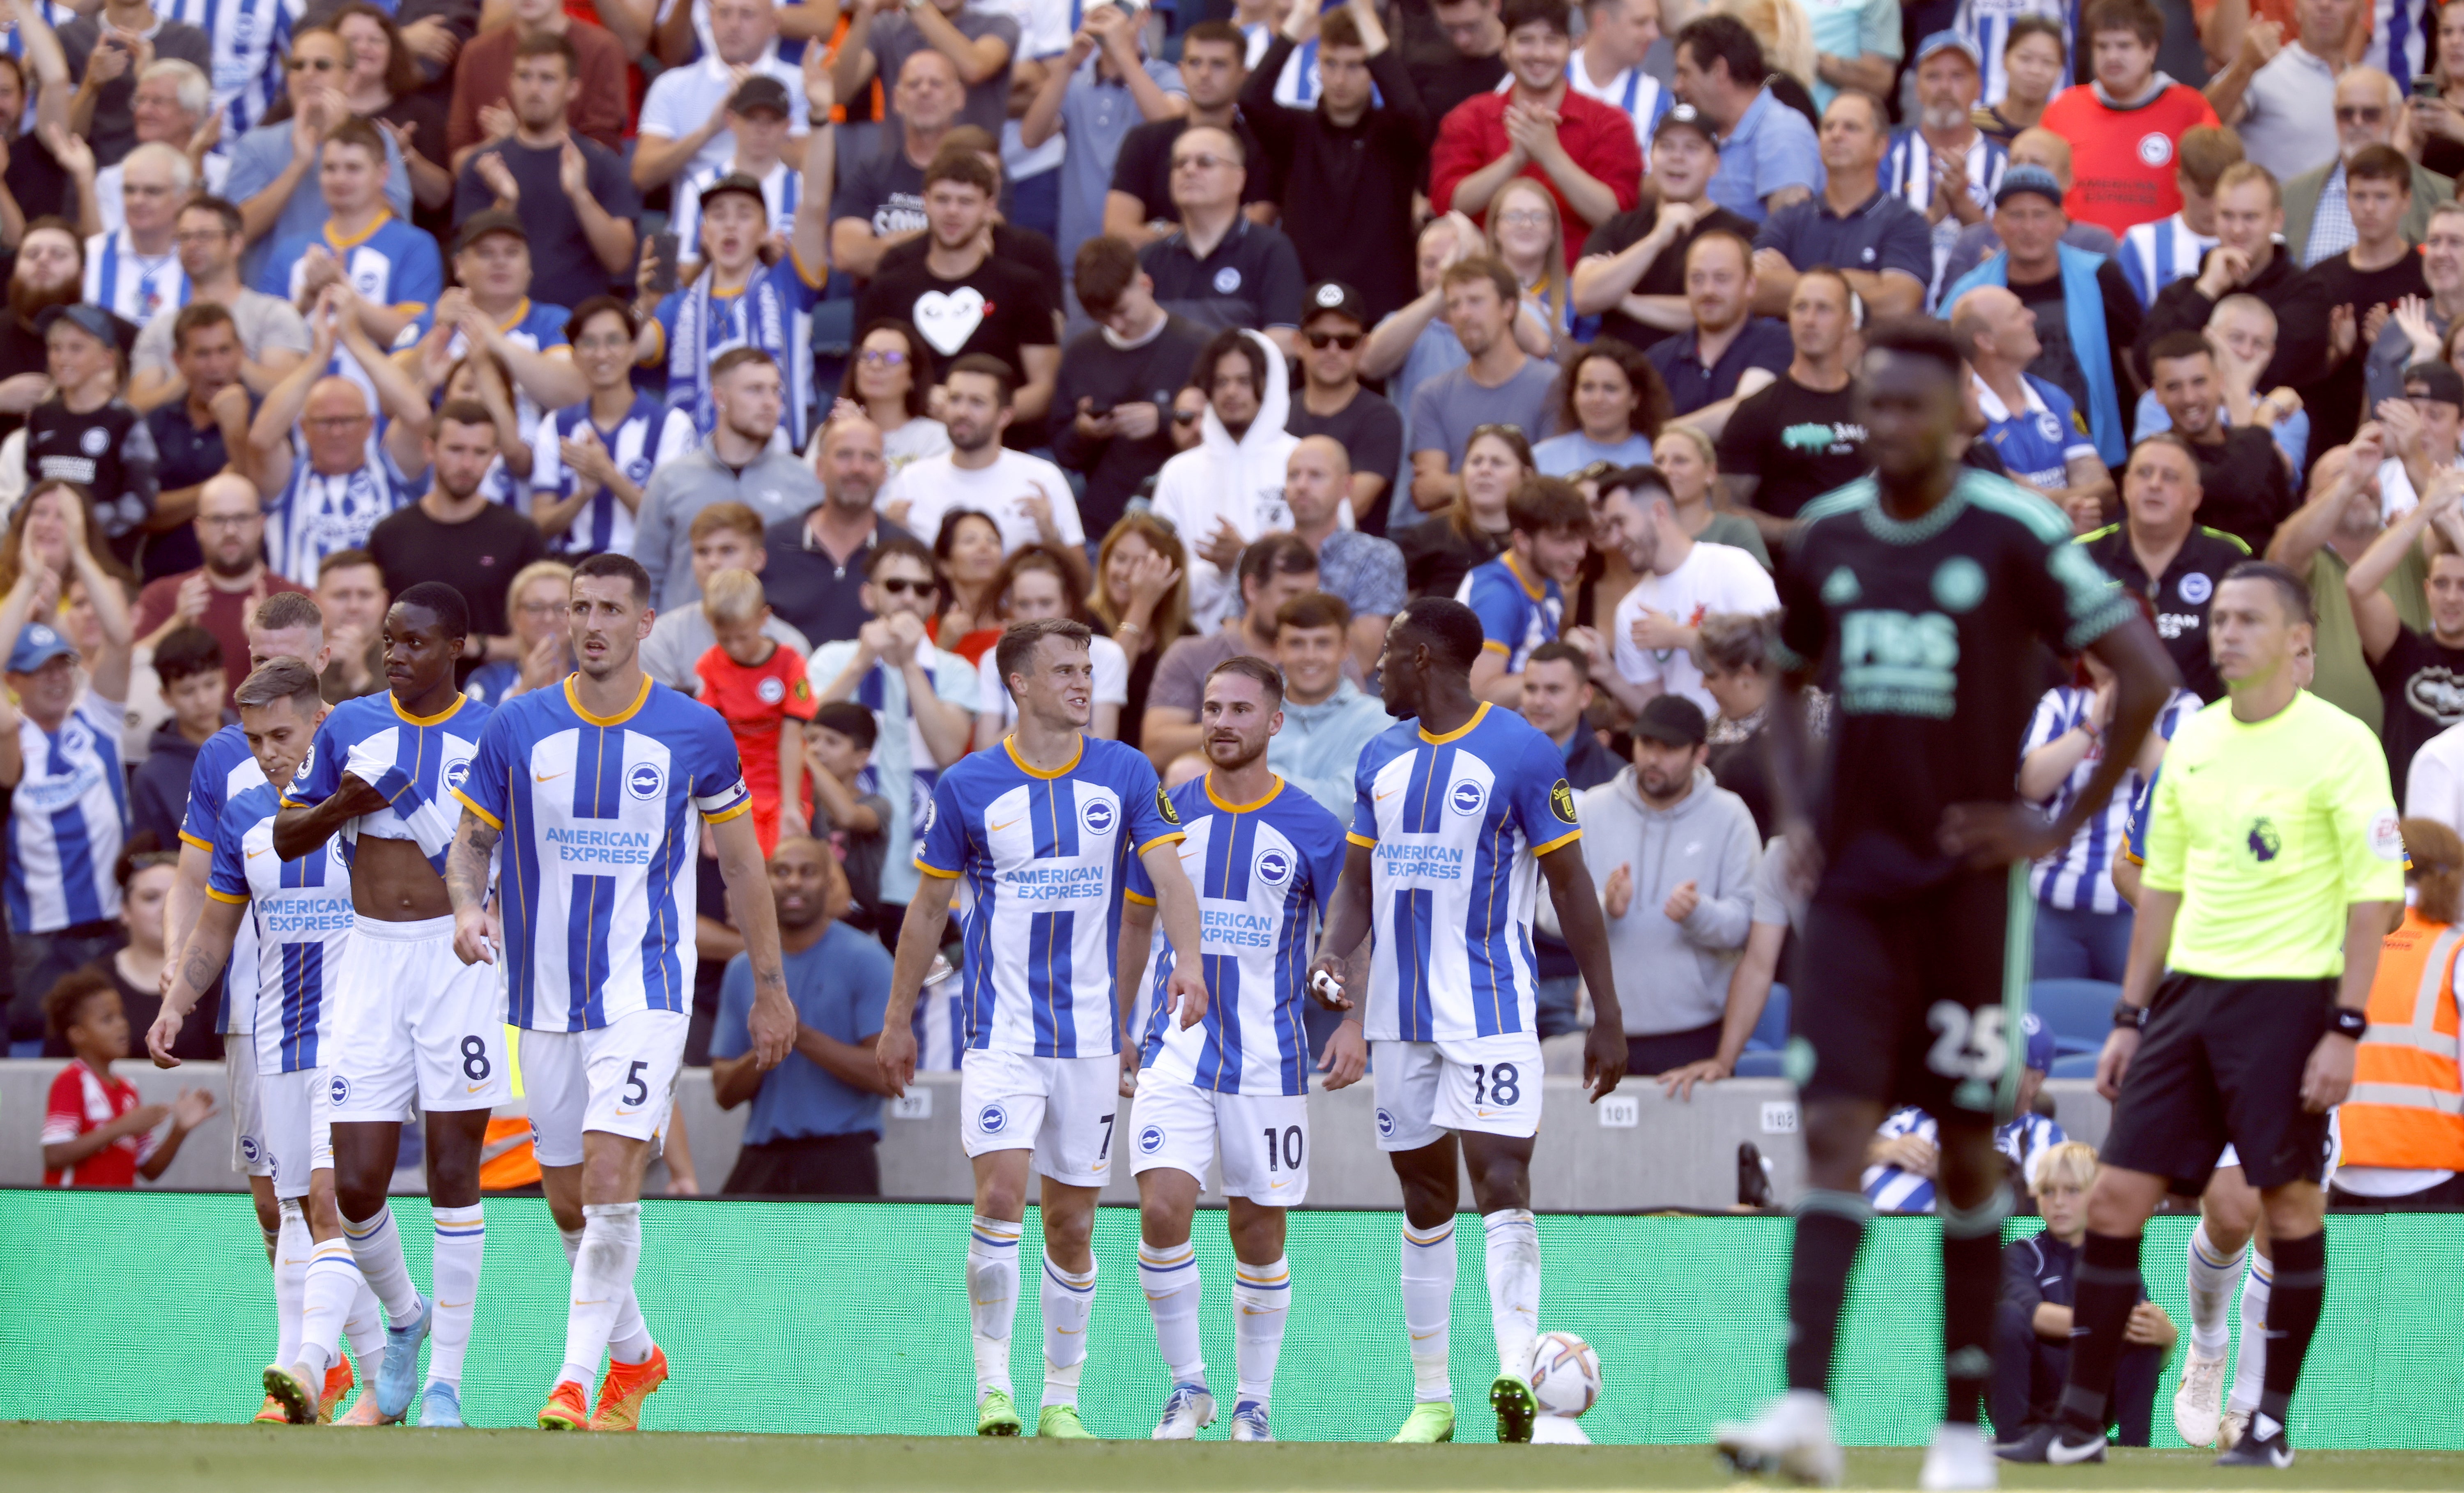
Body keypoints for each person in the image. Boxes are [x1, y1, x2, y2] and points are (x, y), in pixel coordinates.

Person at [1712, 318, 2173, 1488]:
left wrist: (2059, 824)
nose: (1891, 426)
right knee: (1829, 1129)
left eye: (1914, 406)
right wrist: (1804, 808)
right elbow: (1785, 673)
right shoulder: (1826, 537)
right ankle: (1807, 1404)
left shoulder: (2014, 531)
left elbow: (2150, 674)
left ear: (1964, 417)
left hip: (1970, 895)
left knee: (1970, 1148)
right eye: (1876, 406)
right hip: (1859, 892)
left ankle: (1963, 1427)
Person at [2000, 562, 2400, 1470]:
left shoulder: (2344, 745)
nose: (2227, 634)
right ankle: (2079, 1425)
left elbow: (2373, 899)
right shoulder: (2194, 740)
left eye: (2249, 619)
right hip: (2186, 999)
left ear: (2300, 639)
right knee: (2114, 1198)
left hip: (2291, 999)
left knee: (2288, 1210)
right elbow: (2160, 888)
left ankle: (2267, 1421)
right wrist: (2129, 1015)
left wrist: (2345, 1027)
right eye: (2219, 619)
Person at [441, 551, 792, 1432]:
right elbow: (472, 840)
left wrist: (770, 988)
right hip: (541, 997)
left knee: (608, 1172)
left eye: (608, 609)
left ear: (645, 624)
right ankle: (636, 1356)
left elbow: (744, 862)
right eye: (577, 607)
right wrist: (464, 906)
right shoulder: (515, 726)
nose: (589, 623)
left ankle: (572, 1378)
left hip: (648, 986)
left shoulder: (695, 730)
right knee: (568, 1195)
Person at [1304, 595, 1627, 1443]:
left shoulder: (1521, 751)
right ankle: (1432, 1398)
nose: (1372, 666)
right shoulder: (1380, 756)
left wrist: (1607, 1014)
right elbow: (1356, 882)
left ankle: (1515, 1372)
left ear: (1423, 659)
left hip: (1489, 1009)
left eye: (1385, 652)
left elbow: (1572, 883)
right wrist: (1335, 956)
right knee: (1423, 1196)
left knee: (1503, 1182)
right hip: (1399, 1016)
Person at [872, 614, 1204, 1438]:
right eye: (1064, 670)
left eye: (1086, 668)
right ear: (1018, 685)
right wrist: (898, 1017)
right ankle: (995, 1388)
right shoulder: (969, 785)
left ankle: (1061, 1396)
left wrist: (1189, 961)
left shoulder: (1126, 771)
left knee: (1074, 1221)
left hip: (1091, 1039)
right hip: (1002, 1032)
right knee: (999, 1194)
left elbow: (1169, 874)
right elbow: (926, 908)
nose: (1083, 683)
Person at [262, 582, 497, 1430]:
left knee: (451, 1171)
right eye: (391, 641)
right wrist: (340, 806)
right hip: (367, 960)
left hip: (457, 963)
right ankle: (405, 1315)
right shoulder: (354, 726)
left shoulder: (491, 731)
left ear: (458, 645)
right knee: (356, 1186)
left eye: (416, 642)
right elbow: (285, 837)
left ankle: (447, 1384)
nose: (398, 655)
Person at [1115, 654, 1349, 1442]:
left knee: (1258, 1230)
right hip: (1175, 1048)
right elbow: (1136, 924)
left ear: (1275, 723)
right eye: (1213, 709)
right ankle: (1188, 1389)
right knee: (1161, 1209)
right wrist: (1123, 1023)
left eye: (1241, 711)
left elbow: (1353, 935)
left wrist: (1351, 1020)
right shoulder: (1167, 811)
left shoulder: (1316, 828)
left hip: (1270, 1059)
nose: (1222, 723)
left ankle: (1255, 1402)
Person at [144, 655, 376, 1416]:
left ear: (320, 720)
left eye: (282, 734)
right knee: (289, 1208)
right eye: (253, 740)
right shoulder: (245, 817)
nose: (269, 753)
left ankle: (298, 1367)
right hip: (277, 1033)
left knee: (323, 1194)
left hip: (356, 1037)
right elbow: (216, 926)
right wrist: (177, 1003)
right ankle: (373, 1371)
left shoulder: (365, 803)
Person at [637, 64, 837, 458]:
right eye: (719, 216)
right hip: (700, 455)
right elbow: (634, 350)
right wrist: (644, 306)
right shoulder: (683, 301)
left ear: (765, 229)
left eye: (744, 215)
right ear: (702, 232)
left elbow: (815, 204)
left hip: (778, 451)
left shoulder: (788, 283)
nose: (730, 226)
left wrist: (820, 118)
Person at [0, 490, 136, 1048]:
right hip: (35, 937)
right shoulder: (10, 735)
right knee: (38, 1057)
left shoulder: (96, 721)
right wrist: (30, 579)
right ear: (15, 680)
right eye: (38, 670)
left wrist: (80, 553)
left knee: (113, 1055)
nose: (55, 678)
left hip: (107, 927)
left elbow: (123, 638)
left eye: (63, 665)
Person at [807, 536, 981, 936]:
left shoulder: (954, 670)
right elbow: (804, 730)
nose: (908, 598)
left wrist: (909, 664)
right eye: (895, 585)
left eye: (921, 589)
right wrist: (863, 661)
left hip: (921, 864)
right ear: (869, 595)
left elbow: (948, 748)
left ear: (933, 601)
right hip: (843, 859)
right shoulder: (832, 658)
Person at [1580, 690, 1761, 1074]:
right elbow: (1548, 906)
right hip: (1606, 1026)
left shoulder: (1730, 816)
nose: (1653, 759)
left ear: (1700, 755)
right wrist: (1602, 905)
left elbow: (1748, 925)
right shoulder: (1592, 809)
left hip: (1696, 1031)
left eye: (1670, 748)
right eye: (1646, 744)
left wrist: (1700, 913)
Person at [710, 834, 894, 1195]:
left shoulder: (868, 960)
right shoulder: (741, 969)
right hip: (763, 1155)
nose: (794, 881)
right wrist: (769, 1046)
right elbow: (723, 1091)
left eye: (807, 872)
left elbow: (887, 1078)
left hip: (844, 1157)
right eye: (782, 871)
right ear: (765, 881)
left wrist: (799, 1034)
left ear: (829, 882)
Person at [2020, 619, 2201, 981]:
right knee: (2053, 1023)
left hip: (2138, 905)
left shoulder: (2184, 708)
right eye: (2097, 645)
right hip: (2054, 905)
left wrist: (2132, 720)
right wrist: (2093, 724)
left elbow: (2183, 786)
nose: (2109, 655)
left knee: (2136, 1028)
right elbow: (2031, 783)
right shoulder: (2062, 704)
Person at [1941, 164, 2140, 472]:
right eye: (2017, 216)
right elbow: (1943, 366)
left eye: (2040, 215)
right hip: (2004, 461)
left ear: (2062, 221)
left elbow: (2135, 363)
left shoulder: (2101, 276)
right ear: (1996, 223)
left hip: (2101, 453)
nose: (2029, 228)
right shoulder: (1972, 293)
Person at [1242, 0, 1428, 328]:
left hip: (1382, 306)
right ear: (1317, 61)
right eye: (1330, 63)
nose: (1340, 79)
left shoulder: (1396, 134)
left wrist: (1362, 13)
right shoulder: (1294, 131)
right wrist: (1300, 16)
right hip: (1305, 301)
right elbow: (1251, 98)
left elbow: (1411, 110)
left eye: (1355, 66)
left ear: (1374, 67)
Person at [854, 150, 1059, 440]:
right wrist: (921, 401)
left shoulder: (1023, 287)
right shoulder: (890, 286)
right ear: (925, 202)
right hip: (907, 444)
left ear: (989, 208)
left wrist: (971, 412)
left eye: (966, 202)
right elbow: (863, 374)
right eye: (942, 200)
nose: (952, 212)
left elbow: (1044, 390)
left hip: (999, 446)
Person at [1429, 0, 1641, 265]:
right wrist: (1513, 160)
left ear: (1573, 46)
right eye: (1526, 41)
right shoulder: (1468, 118)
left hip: (1580, 289)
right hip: (1489, 285)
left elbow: (1618, 217)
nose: (1539, 54)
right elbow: (1447, 205)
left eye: (1552, 41)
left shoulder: (1609, 123)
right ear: (1505, 48)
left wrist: (1550, 155)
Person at [1992, 1141, 2178, 1443]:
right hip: (2031, 1398)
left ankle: (2134, 1448)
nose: (2059, 1202)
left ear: (2096, 1194)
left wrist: (2168, 1339)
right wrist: (2109, 1324)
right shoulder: (2022, 1253)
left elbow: (2138, 1327)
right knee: (2007, 1316)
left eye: (2073, 1190)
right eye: (2048, 1191)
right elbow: (2032, 1313)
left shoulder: (2116, 1259)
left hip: (2095, 1404)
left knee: (2145, 1328)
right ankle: (2011, 1438)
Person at [451, 32, 641, 315]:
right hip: (499, 324)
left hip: (578, 326)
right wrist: (506, 203)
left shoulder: (601, 163)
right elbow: (465, 264)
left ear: (573, 89)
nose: (534, 89)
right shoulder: (484, 165)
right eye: (524, 77)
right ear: (511, 83)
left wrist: (580, 196)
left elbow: (620, 261)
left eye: (548, 78)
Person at [2330, 814, 2464, 1209]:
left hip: (2343, 1162)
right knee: (2431, 1275)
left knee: (2351, 1275)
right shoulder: (2454, 950)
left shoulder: (2338, 942)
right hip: (2433, 1168)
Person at [365, 400, 551, 680]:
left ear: (494, 457)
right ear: (430, 449)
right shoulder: (390, 535)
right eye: (456, 449)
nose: (467, 464)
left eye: (479, 452)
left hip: (497, 694)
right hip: (406, 693)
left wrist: (479, 646)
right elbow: (372, 629)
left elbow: (547, 636)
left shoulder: (520, 535)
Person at [631, 350, 826, 612]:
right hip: (688, 645)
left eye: (775, 391)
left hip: (773, 642)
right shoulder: (671, 480)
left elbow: (816, 576)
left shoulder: (806, 481)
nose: (770, 403)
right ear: (720, 398)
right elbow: (646, 577)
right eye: (755, 390)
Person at [1593, 462, 1779, 721]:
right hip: (1691, 751)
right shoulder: (1631, 610)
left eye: (1620, 523)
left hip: (1759, 734)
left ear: (1658, 512)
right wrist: (1608, 674)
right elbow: (1656, 710)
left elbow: (1770, 651)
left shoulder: (1733, 565)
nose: (1614, 540)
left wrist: (1679, 637)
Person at [1570, 103, 1761, 354]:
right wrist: (1656, 240)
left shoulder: (1740, 234)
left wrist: (1626, 300)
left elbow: (1724, 311)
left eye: (1691, 148)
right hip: (1619, 378)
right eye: (1666, 146)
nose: (1677, 157)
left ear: (1715, 164)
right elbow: (1585, 296)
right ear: (1652, 158)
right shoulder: (1618, 227)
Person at [2081, 434, 2254, 703]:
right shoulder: (2083, 556)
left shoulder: (2230, 559)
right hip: (2103, 730)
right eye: (2144, 473)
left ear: (2195, 497)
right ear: (2126, 487)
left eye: (2170, 477)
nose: (2154, 485)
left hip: (2203, 732)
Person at [2141, 161, 2336, 400]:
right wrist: (2206, 292)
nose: (2237, 229)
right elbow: (2148, 364)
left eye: (2250, 217)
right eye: (2227, 215)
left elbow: (2278, 369)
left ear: (2277, 220)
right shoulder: (2186, 292)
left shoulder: (2308, 292)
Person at [1012, 0, 1183, 266]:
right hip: (1079, 254)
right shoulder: (1076, 82)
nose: (1112, 23)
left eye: (1122, 12)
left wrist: (1124, 55)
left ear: (1144, 17)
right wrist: (1068, 64)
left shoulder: (1165, 75)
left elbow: (1172, 131)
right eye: (1101, 14)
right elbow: (1031, 137)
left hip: (1145, 256)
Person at [1150, 329, 1299, 629]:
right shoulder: (1179, 471)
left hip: (1286, 639)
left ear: (1268, 386)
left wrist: (1244, 558)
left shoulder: (1301, 460)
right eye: (1221, 382)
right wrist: (1215, 573)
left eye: (1244, 381)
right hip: (1193, 638)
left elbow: (1328, 567)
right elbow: (1159, 570)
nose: (1231, 392)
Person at [528, 299, 696, 561]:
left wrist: (607, 473)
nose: (602, 354)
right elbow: (538, 528)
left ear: (633, 349)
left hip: (645, 570)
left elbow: (671, 523)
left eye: (614, 341)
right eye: (589, 343)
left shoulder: (672, 424)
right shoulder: (556, 425)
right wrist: (583, 495)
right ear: (574, 356)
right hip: (572, 571)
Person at [254, 118, 439, 354]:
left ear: (383, 174)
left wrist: (341, 291)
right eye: (330, 168)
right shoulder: (289, 250)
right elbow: (262, 340)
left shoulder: (415, 246)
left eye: (353, 168)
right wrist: (305, 305)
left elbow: (413, 335)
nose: (340, 180)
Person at [2035, 0, 2220, 236]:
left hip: (2162, 261)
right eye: (2102, 46)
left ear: (2151, 50)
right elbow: (2038, 188)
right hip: (2077, 260)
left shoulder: (2191, 109)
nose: (2112, 57)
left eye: (2124, 46)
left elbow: (2215, 188)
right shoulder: (2063, 108)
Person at [2299, 143, 2432, 464]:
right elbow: (2301, 372)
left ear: (2406, 200)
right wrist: (2337, 353)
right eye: (2360, 196)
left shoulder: (2423, 278)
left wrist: (2389, 346)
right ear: (2346, 199)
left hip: (2402, 442)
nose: (2370, 208)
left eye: (2382, 197)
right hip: (2328, 438)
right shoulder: (2321, 278)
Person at [1142, 534, 1324, 766]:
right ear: (1252, 589)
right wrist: (1242, 725)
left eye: (1312, 596)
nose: (1305, 608)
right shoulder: (1192, 655)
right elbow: (1156, 749)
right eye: (1291, 593)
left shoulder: (1328, 661)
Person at [1716, 266, 1866, 544]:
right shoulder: (1757, 411)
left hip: (1866, 572)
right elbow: (1727, 510)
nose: (1809, 320)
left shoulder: (1875, 407)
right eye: (1800, 308)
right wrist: (1801, 534)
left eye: (1824, 309)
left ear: (1849, 322)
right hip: (1789, 576)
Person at [878, 356, 1083, 558]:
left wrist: (1052, 538)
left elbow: (1082, 582)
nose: (962, 412)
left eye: (977, 402)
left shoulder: (1043, 478)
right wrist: (893, 535)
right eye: (955, 399)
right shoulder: (912, 480)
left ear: (1005, 416)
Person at [131, 474, 313, 702]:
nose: (230, 531)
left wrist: (264, 640)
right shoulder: (163, 596)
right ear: (199, 528)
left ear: (260, 525)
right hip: (182, 737)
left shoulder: (297, 601)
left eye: (242, 518)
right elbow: (123, 671)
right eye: (218, 520)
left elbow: (317, 679)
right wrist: (176, 624)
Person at [126, 199, 313, 421]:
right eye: (184, 237)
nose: (193, 245)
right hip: (180, 448)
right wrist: (190, 373)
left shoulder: (273, 314)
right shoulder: (159, 328)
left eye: (205, 236)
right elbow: (136, 407)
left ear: (235, 243)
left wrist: (230, 362)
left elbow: (290, 394)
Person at [1751, 91, 1930, 320]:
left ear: (1881, 146)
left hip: (1867, 353)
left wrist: (1794, 279)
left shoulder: (1905, 222)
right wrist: (1864, 284)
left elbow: (1897, 303)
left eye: (1851, 128)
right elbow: (1754, 290)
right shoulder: (1788, 219)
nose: (1836, 135)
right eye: (1828, 127)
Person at [1952, 284, 2114, 528]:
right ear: (1986, 341)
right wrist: (2066, 507)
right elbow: (2001, 505)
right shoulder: (1965, 413)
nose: (2032, 316)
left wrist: (2045, 500)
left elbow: (2107, 492)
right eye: (2017, 314)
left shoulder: (2054, 398)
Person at [1409, 258, 1561, 513]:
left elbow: (1550, 488)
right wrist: (1513, 484)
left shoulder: (1553, 386)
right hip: (1455, 543)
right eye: (1454, 305)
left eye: (1476, 301)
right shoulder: (1432, 394)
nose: (1463, 314)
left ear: (1509, 309)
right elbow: (1427, 494)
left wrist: (1451, 485)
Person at [1105, 21, 1272, 249]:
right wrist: (1205, 232)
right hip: (1154, 280)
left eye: (1219, 65)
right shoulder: (1144, 141)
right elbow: (1118, 234)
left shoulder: (1262, 146)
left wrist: (1160, 230)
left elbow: (1253, 237)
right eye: (1195, 63)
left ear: (1243, 76)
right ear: (1181, 72)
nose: (1204, 74)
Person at [1137, 124, 1306, 349]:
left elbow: (1285, 338)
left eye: (1205, 162)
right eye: (1180, 163)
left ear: (1239, 179)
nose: (1189, 171)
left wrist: (1212, 376)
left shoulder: (1271, 250)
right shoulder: (1150, 258)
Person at [40, 969, 213, 1186]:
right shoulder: (71, 1080)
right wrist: (124, 1127)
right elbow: (55, 1156)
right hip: (73, 1215)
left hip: (117, 1217)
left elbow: (150, 1170)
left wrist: (179, 1130)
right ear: (78, 1035)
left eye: (121, 1015)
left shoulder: (128, 1089)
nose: (121, 1024)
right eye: (107, 1019)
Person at [2349, 473, 2464, 795]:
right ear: (2427, 590)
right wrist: (2424, 511)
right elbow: (2358, 584)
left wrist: (2455, 526)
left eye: (2463, 585)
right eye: (2442, 584)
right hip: (2406, 829)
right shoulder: (2405, 652)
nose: (2452, 597)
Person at [2141, 333, 2299, 556]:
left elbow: (2289, 522)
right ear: (2157, 393)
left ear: (2220, 381)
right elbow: (2235, 485)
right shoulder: (2155, 458)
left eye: (2199, 382)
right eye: (2174, 387)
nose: (2190, 398)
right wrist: (2265, 414)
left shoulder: (2256, 448)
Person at [635, 0, 815, 193]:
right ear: (711, 19)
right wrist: (709, 130)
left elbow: (812, 170)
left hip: (776, 218)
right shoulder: (672, 85)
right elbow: (642, 177)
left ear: (773, 24)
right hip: (697, 217)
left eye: (747, 14)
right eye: (724, 13)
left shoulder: (799, 84)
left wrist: (755, 105)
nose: (734, 25)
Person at [2285, 69, 2455, 269]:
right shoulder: (2291, 196)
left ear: (2396, 117)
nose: (2357, 122)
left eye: (2370, 114)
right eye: (2346, 114)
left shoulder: (2442, 195)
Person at [1882, 32, 2007, 304]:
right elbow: (1869, 244)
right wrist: (1933, 215)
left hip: (1978, 318)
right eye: (1933, 77)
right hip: (1901, 321)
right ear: (1918, 89)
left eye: (1958, 76)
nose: (1945, 87)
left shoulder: (2004, 163)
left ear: (1979, 87)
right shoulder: (1888, 156)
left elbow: (2013, 251)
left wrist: (1964, 206)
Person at [26, 303, 159, 555]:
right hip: (47, 555)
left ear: (106, 359)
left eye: (76, 349)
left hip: (106, 557)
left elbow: (143, 501)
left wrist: (82, 522)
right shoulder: (42, 416)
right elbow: (34, 483)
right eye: (56, 348)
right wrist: (24, 516)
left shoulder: (125, 420)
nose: (62, 359)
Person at [642, 502, 816, 694]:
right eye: (703, 552)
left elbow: (799, 719)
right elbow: (658, 717)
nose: (713, 562)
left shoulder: (790, 645)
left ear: (758, 560)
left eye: (727, 551)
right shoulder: (663, 637)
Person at [828, 51, 970, 281]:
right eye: (914, 84)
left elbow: (984, 246)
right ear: (896, 100)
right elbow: (847, 255)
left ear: (959, 98)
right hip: (883, 313)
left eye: (936, 84)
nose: (925, 91)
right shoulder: (869, 172)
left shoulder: (979, 173)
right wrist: (946, 237)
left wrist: (890, 243)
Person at [967, 545, 1129, 745]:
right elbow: (985, 751)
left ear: (1067, 604)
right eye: (1024, 604)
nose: (1035, 616)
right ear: (1011, 609)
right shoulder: (993, 660)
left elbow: (1103, 747)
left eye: (1046, 603)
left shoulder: (1107, 655)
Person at [1671, 13, 1821, 226]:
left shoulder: (1782, 132)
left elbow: (1789, 239)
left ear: (1719, 70)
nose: (1677, 86)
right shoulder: (1707, 131)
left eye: (1685, 73)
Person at [1643, 230, 1792, 434]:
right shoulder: (1658, 359)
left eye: (1722, 278)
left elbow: (1745, 413)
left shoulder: (1778, 342)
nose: (1708, 291)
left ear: (1750, 285)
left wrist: (1660, 433)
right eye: (1697, 279)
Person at [1280, 435, 1406, 674]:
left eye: (1316, 475)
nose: (1302, 485)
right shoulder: (1262, 556)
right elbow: (1238, 645)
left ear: (1346, 487)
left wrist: (1298, 591)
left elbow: (1362, 660)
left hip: (1349, 704)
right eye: (1294, 475)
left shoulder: (1377, 556)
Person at [444, 0, 629, 162]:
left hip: (573, 196)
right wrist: (498, 145)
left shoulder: (602, 49)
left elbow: (605, 158)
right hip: (491, 196)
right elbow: (459, 160)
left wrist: (518, 142)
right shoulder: (477, 54)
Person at [1285, 281, 1405, 529]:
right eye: (1319, 339)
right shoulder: (1278, 413)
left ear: (1363, 346)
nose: (1332, 350)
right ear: (1299, 344)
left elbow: (1354, 505)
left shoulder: (1381, 417)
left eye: (1346, 341)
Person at [1265, 589, 1392, 822]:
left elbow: (1346, 808)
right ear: (1279, 649)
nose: (1310, 656)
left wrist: (1259, 779)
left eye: (1323, 644)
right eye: (1296, 644)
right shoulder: (1249, 713)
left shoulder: (1378, 720)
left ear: (1345, 649)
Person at [1460, 475, 1587, 707]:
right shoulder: (1497, 595)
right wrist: (1567, 657)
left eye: (1581, 538)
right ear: (1523, 541)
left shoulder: (1549, 584)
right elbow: (1480, 695)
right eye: (1564, 541)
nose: (1579, 552)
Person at [2204, 0, 2359, 186]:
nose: (2325, 4)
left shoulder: (2368, 88)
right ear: (2296, 8)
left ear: (2361, 11)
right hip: (2278, 212)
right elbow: (2201, 120)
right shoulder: (2263, 66)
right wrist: (2245, 68)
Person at [832, 0, 1018, 146]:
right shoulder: (887, 27)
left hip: (973, 177)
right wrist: (865, 13)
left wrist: (914, 3)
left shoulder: (999, 25)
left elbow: (974, 68)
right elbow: (839, 93)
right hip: (901, 179)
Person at [2117, 125, 2241, 311]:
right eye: (2204, 194)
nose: (2214, 207)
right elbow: (2130, 331)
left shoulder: (2267, 245)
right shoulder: (2142, 243)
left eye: (2222, 196)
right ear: (2180, 181)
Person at [132, 631, 223, 885]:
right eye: (187, 691)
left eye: (210, 684)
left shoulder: (256, 741)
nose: (202, 700)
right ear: (166, 696)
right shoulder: (151, 777)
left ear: (225, 679)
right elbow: (152, 861)